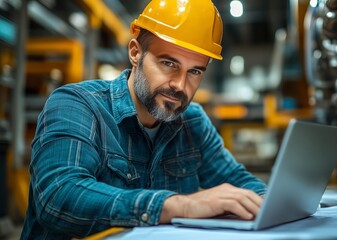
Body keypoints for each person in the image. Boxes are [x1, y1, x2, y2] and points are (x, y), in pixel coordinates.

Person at [21, 0, 267, 238]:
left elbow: (241, 182)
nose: (180, 85)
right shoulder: (77, 104)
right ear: (135, 52)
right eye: (169, 63)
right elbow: (58, 197)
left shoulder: (192, 123)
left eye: (194, 71)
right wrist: (178, 206)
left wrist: (270, 201)